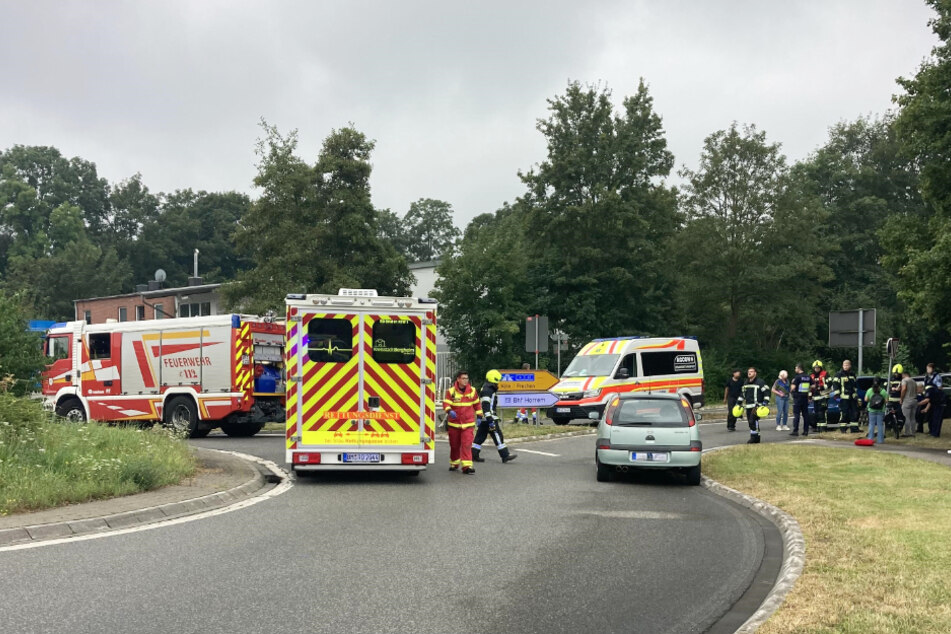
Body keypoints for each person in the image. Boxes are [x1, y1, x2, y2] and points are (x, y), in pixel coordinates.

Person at [473, 369, 518, 463]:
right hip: (489, 418)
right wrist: (490, 420)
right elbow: (486, 406)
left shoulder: (487, 388)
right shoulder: (488, 390)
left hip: (485, 418)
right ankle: (505, 455)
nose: (499, 383)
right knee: (497, 435)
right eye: (498, 381)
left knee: (480, 437)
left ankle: (474, 454)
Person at [443, 370, 483, 474]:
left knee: (466, 445)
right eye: (463, 378)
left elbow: (477, 404)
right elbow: (446, 404)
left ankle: (467, 466)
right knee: (454, 445)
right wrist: (449, 410)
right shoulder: (451, 391)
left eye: (467, 378)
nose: (466, 381)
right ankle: (454, 463)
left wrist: (479, 416)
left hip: (468, 424)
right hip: (454, 424)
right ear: (458, 379)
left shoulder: (472, 391)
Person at [736, 367, 769, 444]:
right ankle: (756, 437)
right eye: (748, 372)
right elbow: (742, 394)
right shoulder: (746, 383)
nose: (749, 373)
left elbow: (766, 392)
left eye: (751, 371)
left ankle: (754, 437)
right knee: (751, 422)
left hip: (757, 406)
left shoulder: (760, 382)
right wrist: (738, 403)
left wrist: (765, 402)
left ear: (755, 373)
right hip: (748, 406)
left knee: (752, 421)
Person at [830, 359, 859, 433]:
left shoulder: (852, 374)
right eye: (844, 365)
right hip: (843, 398)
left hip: (852, 398)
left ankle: (854, 429)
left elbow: (855, 386)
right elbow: (835, 385)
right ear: (842, 366)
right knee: (844, 414)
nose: (845, 366)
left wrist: (855, 394)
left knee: (854, 413)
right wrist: (837, 395)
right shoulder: (839, 374)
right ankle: (843, 429)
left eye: (847, 365)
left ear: (850, 366)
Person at [789, 363, 812, 437]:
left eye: (796, 368)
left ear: (799, 368)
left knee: (796, 415)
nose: (795, 369)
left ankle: (795, 430)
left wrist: (790, 391)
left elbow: (792, 387)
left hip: (798, 398)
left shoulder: (797, 377)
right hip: (805, 397)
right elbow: (813, 385)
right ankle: (806, 431)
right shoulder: (808, 377)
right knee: (806, 415)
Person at [923, 363, 945, 437]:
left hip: (937, 400)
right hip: (930, 400)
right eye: (927, 368)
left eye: (929, 368)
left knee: (936, 417)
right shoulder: (926, 377)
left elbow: (939, 387)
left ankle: (935, 433)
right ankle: (931, 430)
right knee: (930, 416)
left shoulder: (937, 376)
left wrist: (933, 391)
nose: (927, 370)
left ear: (932, 368)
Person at [865, 377, 888, 444]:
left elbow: (866, 399)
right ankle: (880, 440)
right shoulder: (883, 391)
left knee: (871, 424)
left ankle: (870, 439)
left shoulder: (869, 390)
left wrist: (871, 401)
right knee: (880, 425)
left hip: (871, 410)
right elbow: (886, 401)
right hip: (881, 410)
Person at [809, 361, 829, 432]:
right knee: (817, 413)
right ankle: (818, 428)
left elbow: (829, 384)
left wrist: (820, 387)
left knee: (821, 413)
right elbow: (810, 388)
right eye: (815, 368)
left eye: (818, 367)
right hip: (815, 397)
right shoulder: (812, 376)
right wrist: (809, 397)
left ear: (820, 368)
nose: (816, 369)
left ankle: (823, 428)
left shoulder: (825, 374)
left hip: (823, 396)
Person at [887, 364, 905, 434]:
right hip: (891, 400)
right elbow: (887, 387)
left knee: (900, 415)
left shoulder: (902, 379)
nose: (896, 374)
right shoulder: (890, 378)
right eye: (895, 373)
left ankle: (899, 428)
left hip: (899, 400)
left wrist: (900, 389)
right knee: (888, 415)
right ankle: (888, 427)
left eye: (898, 373)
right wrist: (893, 388)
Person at [900, 369, 919, 437]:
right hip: (914, 400)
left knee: (906, 417)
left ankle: (907, 432)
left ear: (904, 374)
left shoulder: (904, 380)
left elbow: (904, 389)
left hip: (907, 400)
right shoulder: (913, 381)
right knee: (912, 417)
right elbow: (917, 390)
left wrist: (901, 398)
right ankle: (913, 432)